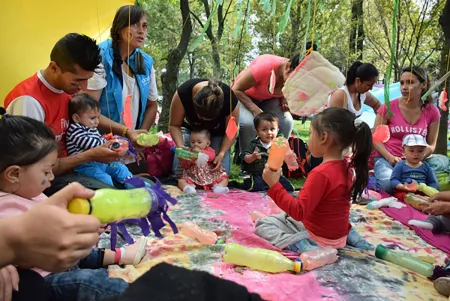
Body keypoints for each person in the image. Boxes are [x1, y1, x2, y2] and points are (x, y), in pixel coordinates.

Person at [0, 111, 147, 301]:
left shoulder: (31, 194)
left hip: (64, 260)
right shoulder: (6, 208)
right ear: (14, 174)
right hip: (50, 277)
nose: (52, 177)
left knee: (85, 253)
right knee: (92, 282)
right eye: (46, 172)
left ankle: (121, 255)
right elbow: (25, 257)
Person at [4, 33, 127, 196]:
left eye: (87, 80)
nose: (83, 87)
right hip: (45, 180)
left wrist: (126, 132)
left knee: (131, 183)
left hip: (71, 167)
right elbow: (32, 171)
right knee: (109, 197)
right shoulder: (29, 102)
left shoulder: (66, 89)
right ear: (54, 68)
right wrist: (89, 155)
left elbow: (88, 114)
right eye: (77, 80)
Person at [255, 107, 373, 253]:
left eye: (311, 133)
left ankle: (302, 245)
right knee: (334, 215)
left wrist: (274, 185)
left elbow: (299, 212)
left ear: (323, 137)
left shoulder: (321, 173)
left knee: (264, 224)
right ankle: (356, 239)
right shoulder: (349, 167)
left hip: (318, 237)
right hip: (338, 236)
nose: (309, 138)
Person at [84, 5, 158, 139]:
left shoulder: (146, 62)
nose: (141, 31)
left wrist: (141, 138)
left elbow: (152, 105)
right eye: (135, 24)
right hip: (100, 143)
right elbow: (87, 110)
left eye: (145, 26)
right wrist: (126, 132)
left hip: (132, 145)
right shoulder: (99, 57)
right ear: (120, 27)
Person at [373, 66, 440, 194]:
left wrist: (418, 156)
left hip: (416, 161)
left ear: (423, 85)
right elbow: (375, 139)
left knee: (431, 189)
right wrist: (389, 157)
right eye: (402, 83)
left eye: (410, 82)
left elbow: (431, 145)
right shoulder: (388, 107)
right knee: (388, 186)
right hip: (388, 159)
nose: (404, 87)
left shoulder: (432, 112)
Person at [232, 53, 298, 156]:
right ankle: (246, 161)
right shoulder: (264, 67)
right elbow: (235, 89)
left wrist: (284, 99)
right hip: (243, 95)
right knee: (249, 123)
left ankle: (274, 159)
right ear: (288, 67)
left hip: (267, 99)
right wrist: (254, 109)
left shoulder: (298, 77)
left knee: (286, 122)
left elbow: (285, 89)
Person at [169, 79, 239, 175]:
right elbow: (174, 125)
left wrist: (221, 153)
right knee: (179, 172)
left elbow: (232, 131)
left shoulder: (230, 99)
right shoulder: (183, 93)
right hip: (192, 132)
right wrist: (180, 146)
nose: (204, 121)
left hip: (217, 134)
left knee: (220, 172)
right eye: (201, 116)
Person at [66, 94, 133, 186]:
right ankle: (112, 196)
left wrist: (110, 140)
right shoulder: (75, 129)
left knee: (120, 168)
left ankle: (135, 186)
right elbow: (90, 144)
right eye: (93, 118)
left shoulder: (91, 128)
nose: (97, 121)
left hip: (98, 161)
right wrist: (111, 143)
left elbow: (99, 140)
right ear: (76, 118)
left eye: (98, 117)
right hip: (84, 165)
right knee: (104, 179)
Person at [239, 112, 294, 192]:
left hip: (275, 174)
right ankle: (261, 187)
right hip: (258, 174)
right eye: (264, 130)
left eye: (272, 129)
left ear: (277, 130)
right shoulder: (254, 144)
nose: (269, 132)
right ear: (257, 132)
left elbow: (286, 157)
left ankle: (270, 188)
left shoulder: (279, 144)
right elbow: (246, 159)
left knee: (289, 188)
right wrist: (253, 156)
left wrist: (289, 159)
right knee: (258, 188)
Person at [177, 129, 229, 194]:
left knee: (224, 178)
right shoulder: (189, 151)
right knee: (181, 180)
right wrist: (183, 159)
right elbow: (185, 165)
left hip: (209, 176)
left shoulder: (210, 150)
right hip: (193, 176)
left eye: (199, 142)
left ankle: (219, 187)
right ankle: (188, 188)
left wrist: (201, 152)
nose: (195, 144)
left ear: (208, 143)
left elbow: (211, 157)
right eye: (193, 142)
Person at [390, 134, 438, 199]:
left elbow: (432, 182)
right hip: (404, 191)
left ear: (425, 151)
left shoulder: (426, 166)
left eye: (420, 151)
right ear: (403, 151)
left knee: (430, 198)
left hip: (422, 192)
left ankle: (422, 201)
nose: (416, 154)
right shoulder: (400, 165)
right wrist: (402, 186)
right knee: (401, 195)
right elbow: (394, 180)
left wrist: (432, 191)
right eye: (412, 151)